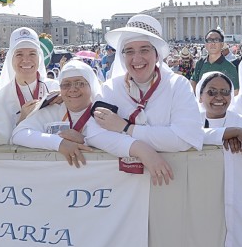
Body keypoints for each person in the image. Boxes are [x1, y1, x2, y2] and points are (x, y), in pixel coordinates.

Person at [13, 59, 174, 184]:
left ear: (91, 86)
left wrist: (84, 141)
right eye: (66, 85)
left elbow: (116, 141)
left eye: (80, 83)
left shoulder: (104, 113)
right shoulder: (52, 110)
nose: (73, 89)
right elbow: (19, 134)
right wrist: (58, 143)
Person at [88, 14, 205, 161]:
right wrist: (139, 149)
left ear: (157, 55)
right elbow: (93, 134)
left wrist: (126, 128)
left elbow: (187, 137)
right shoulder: (110, 88)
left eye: (144, 50)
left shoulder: (178, 85)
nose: (136, 59)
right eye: (129, 51)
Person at [0, 27, 61, 141]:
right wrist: (22, 119)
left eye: (32, 54)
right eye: (19, 54)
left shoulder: (56, 88)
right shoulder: (0, 97)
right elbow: (1, 139)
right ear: (11, 58)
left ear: (39, 57)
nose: (26, 60)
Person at [195, 72, 242, 157]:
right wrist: (235, 132)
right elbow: (191, 135)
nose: (219, 97)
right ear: (200, 96)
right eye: (212, 92)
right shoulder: (192, 121)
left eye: (225, 91)